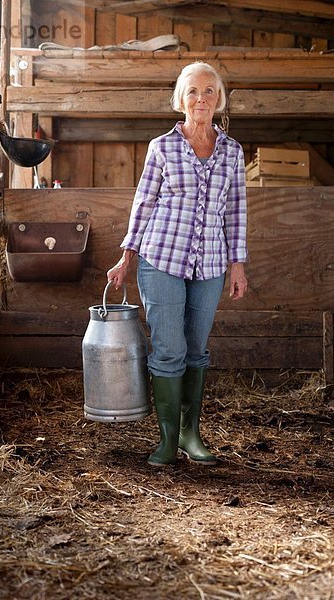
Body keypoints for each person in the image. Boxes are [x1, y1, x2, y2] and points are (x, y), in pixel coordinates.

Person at [107, 61, 248, 467]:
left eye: (208, 91)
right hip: (161, 258)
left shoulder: (233, 152)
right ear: (180, 99)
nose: (200, 98)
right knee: (169, 348)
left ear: (218, 99)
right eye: (192, 91)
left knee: (197, 350)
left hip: (211, 265)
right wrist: (126, 257)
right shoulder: (162, 148)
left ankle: (191, 434)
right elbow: (143, 203)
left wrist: (237, 264)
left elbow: (236, 211)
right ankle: (167, 439)